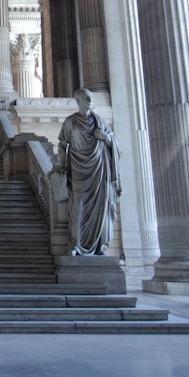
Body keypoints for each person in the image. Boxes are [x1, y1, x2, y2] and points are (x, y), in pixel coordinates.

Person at [57, 87, 122, 256]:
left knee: (99, 206)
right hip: (78, 170)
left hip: (98, 169)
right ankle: (76, 244)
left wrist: (107, 139)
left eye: (91, 96)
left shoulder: (99, 120)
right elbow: (63, 144)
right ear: (78, 101)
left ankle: (100, 245)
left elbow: (114, 143)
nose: (90, 99)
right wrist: (61, 164)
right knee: (78, 206)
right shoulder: (70, 122)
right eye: (86, 97)